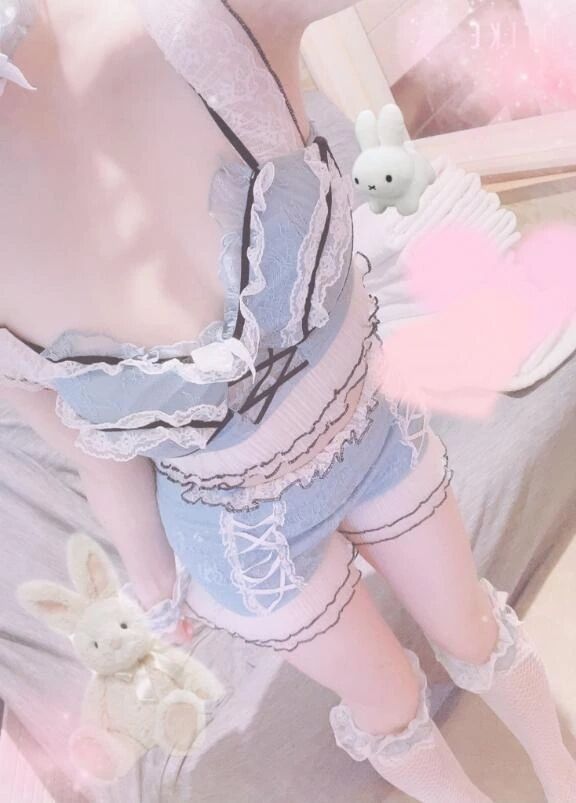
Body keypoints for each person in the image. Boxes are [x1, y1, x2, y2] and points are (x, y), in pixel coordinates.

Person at [0, 1, 574, 800]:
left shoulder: (202, 18)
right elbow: (99, 462)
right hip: (242, 540)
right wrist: (159, 595)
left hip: (371, 436)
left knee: (473, 628)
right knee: (387, 703)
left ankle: (563, 774)